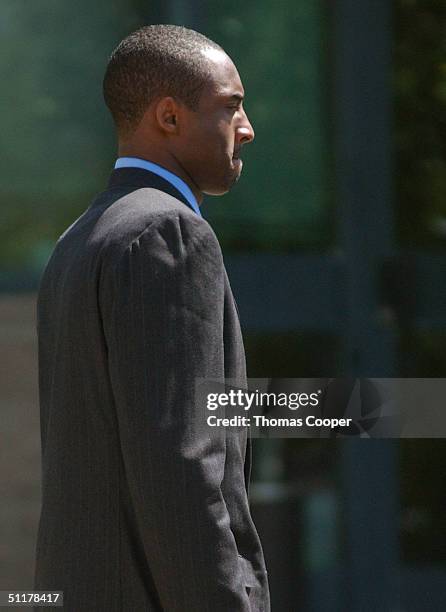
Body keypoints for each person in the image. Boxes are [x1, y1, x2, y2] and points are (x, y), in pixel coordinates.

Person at [34, 24, 270, 611]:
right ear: (169, 117)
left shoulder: (80, 239)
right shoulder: (167, 233)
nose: (247, 128)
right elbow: (180, 467)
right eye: (230, 107)